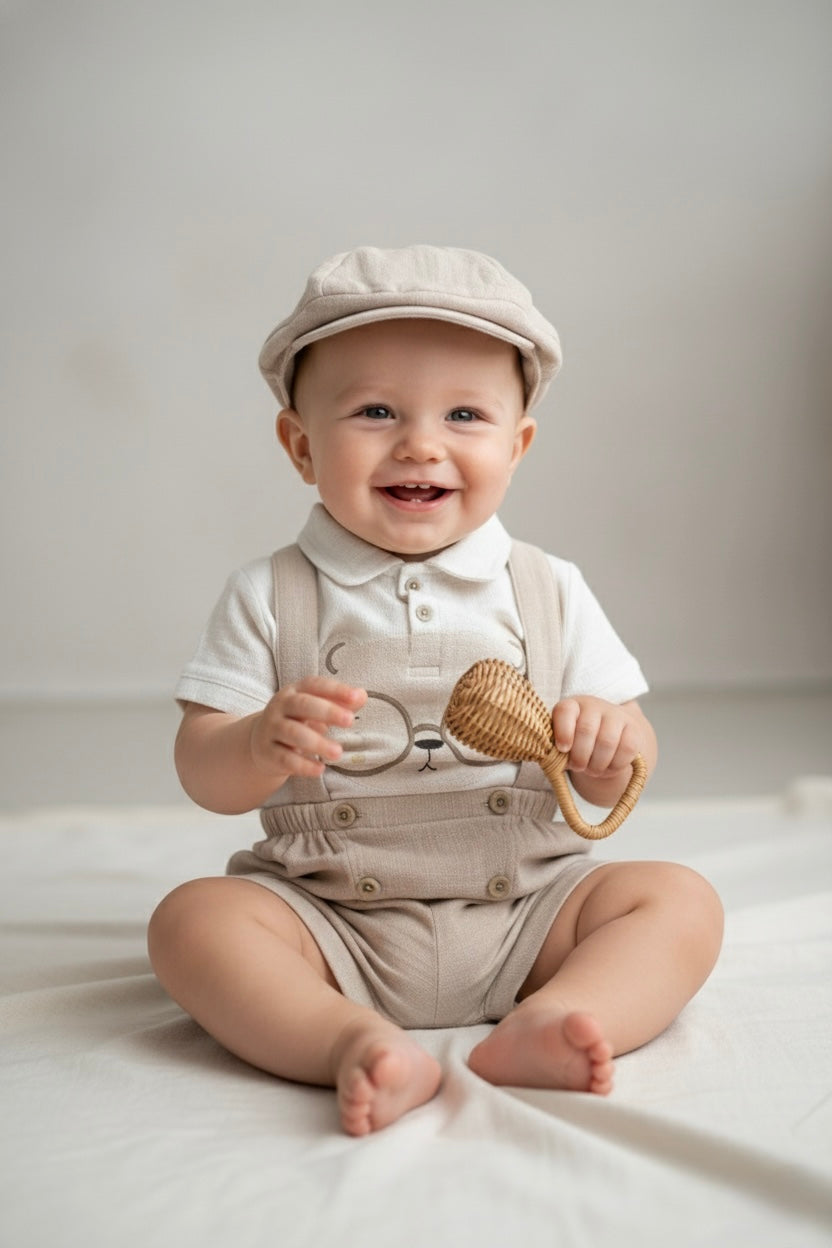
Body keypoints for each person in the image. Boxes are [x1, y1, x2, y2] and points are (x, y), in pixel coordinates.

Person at [148, 245, 723, 1137]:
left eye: (465, 414)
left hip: (528, 913)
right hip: (332, 916)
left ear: (517, 444)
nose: (421, 443)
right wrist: (254, 743)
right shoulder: (269, 593)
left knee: (678, 901)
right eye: (375, 411)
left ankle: (557, 1018)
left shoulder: (548, 587)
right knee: (193, 924)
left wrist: (610, 742)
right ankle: (347, 1038)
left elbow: (629, 764)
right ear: (301, 445)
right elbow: (202, 769)